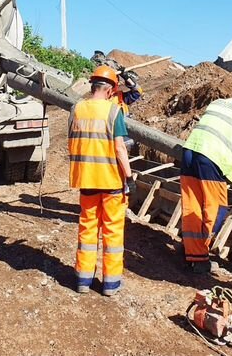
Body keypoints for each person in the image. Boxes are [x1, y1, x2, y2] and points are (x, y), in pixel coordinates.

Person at [180, 83, 232, 273]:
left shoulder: (216, 103)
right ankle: (200, 257)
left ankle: (190, 252)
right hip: (212, 158)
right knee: (216, 209)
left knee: (193, 206)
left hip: (190, 153)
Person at [68, 65, 133, 296]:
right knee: (113, 232)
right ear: (111, 90)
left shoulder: (77, 109)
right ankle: (110, 284)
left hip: (86, 180)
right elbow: (119, 148)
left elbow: (73, 140)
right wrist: (129, 177)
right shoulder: (114, 111)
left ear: (92, 85)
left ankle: (83, 281)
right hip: (111, 181)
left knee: (87, 230)